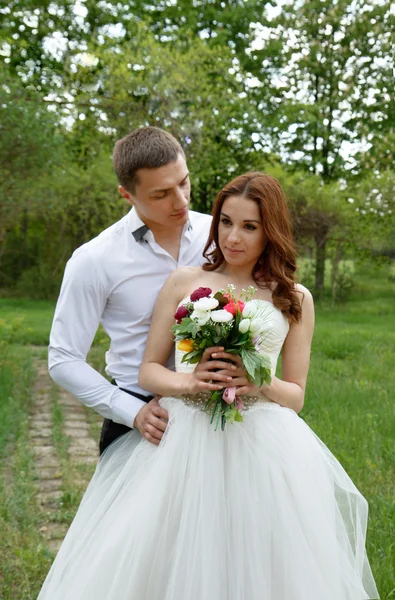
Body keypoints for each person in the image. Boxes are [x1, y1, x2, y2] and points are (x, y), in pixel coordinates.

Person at [38, 172, 379, 599]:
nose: (234, 237)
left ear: (270, 231)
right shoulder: (184, 281)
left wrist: (260, 382)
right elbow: (148, 371)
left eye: (250, 226)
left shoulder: (295, 299)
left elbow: (296, 395)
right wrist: (188, 381)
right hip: (185, 437)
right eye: (225, 222)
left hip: (264, 446)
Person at [48, 126, 212, 454]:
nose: (181, 200)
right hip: (142, 420)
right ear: (127, 195)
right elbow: (63, 358)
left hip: (215, 415)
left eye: (183, 182)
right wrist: (131, 412)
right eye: (161, 194)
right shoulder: (95, 259)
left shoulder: (218, 236)